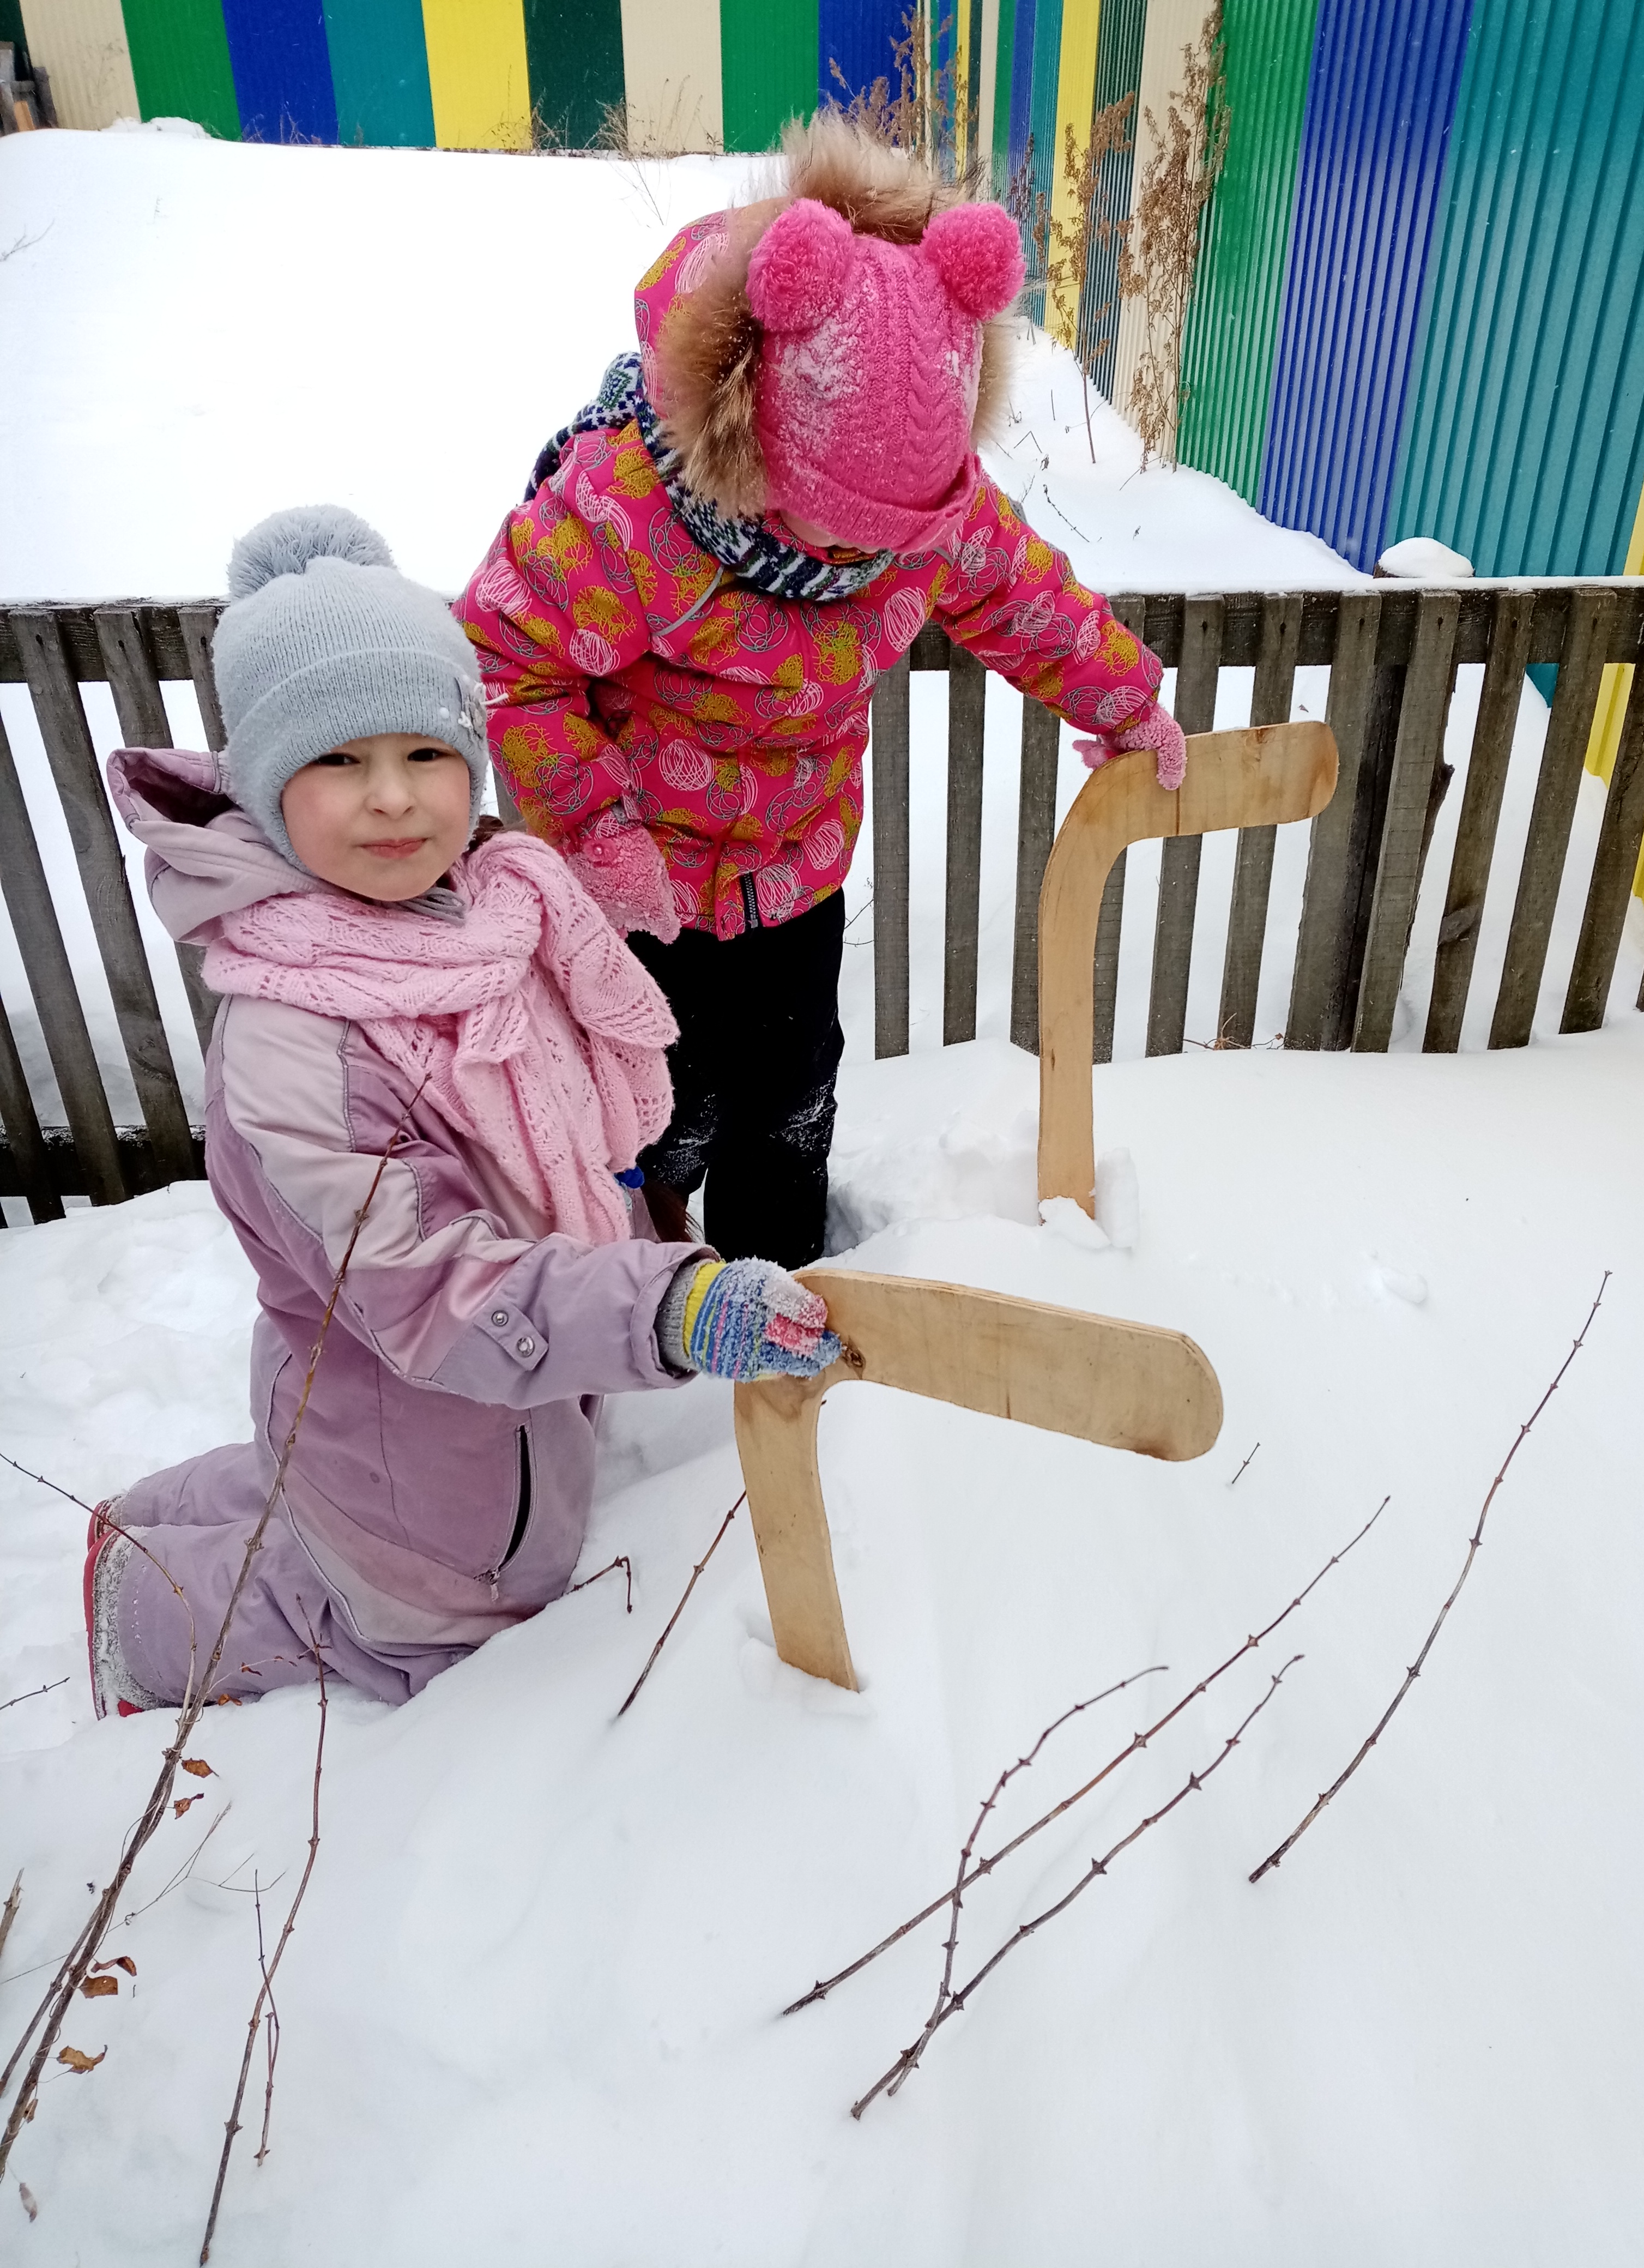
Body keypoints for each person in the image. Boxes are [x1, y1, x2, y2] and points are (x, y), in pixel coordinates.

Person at [84, 506, 840, 1721]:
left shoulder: (481, 915)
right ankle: (138, 1601)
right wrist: (663, 1305)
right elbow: (432, 1290)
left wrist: (638, 1241)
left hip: (437, 1414)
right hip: (426, 1461)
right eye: (338, 762)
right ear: (268, 787)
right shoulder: (297, 1051)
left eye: (426, 752)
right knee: (402, 1625)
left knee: (326, 1488)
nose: (393, 799)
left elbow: (567, 1135)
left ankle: (178, 1507)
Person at [456, 110, 1184, 1272]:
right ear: (755, 448)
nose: (866, 561)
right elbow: (508, 656)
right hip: (644, 888)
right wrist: (592, 826)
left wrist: (1126, 701)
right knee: (659, 1111)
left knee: (792, 1096)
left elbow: (1023, 596)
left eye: (894, 540)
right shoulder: (627, 512)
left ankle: (788, 1264)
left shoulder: (930, 515)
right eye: (839, 532)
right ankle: (652, 1288)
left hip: (798, 871)